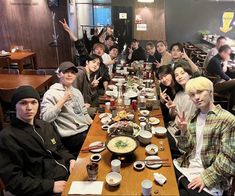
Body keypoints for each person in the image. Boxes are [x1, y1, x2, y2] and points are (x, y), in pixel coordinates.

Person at [0, 85, 75, 195]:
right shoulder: (7, 137)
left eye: (34, 102)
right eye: (23, 103)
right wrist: (51, 186)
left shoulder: (45, 126)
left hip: (66, 175)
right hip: (43, 189)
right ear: (14, 106)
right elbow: (13, 182)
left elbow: (59, 148)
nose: (29, 107)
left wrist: (70, 160)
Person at [174, 76, 235, 195]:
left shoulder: (228, 119)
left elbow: (229, 159)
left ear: (210, 91)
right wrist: (183, 131)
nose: (196, 97)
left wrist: (205, 178)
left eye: (200, 92)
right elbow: (185, 149)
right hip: (186, 166)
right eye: (192, 95)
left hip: (210, 178)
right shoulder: (193, 117)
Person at [40, 61, 93, 157]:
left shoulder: (76, 92)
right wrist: (62, 101)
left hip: (84, 129)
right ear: (59, 74)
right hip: (70, 136)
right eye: (65, 72)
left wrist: (93, 125)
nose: (70, 75)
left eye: (72, 72)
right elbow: (45, 118)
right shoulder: (51, 93)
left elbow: (84, 112)